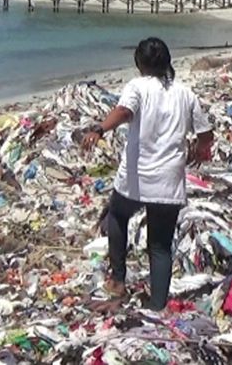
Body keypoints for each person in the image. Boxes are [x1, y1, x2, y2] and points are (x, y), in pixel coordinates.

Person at [82, 37, 213, 311]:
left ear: (139, 63)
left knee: (117, 215)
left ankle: (118, 280)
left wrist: (100, 129)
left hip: (136, 178)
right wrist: (201, 151)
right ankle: (157, 307)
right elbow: (205, 133)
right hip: (168, 181)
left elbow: (123, 111)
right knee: (160, 246)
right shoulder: (185, 93)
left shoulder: (138, 86)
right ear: (167, 62)